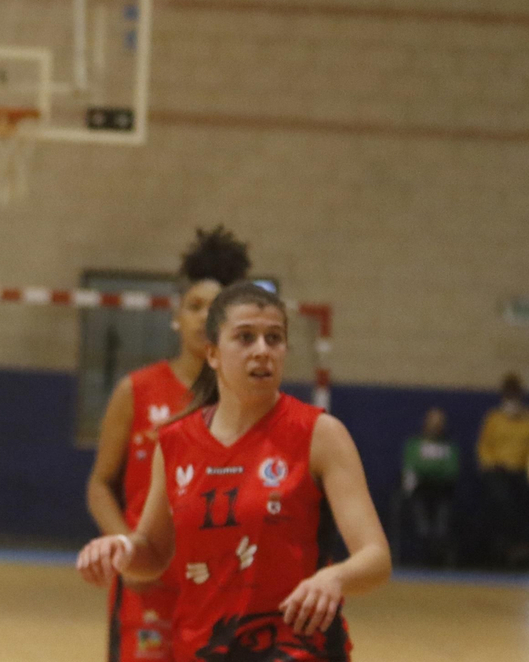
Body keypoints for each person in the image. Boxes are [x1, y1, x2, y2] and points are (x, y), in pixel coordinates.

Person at [78, 283, 391, 661]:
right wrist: (122, 549)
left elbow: (375, 556)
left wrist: (335, 577)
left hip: (295, 648)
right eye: (245, 337)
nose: (262, 350)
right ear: (212, 353)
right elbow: (155, 552)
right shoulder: (175, 441)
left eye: (274, 338)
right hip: (203, 647)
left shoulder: (321, 434)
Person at [84, 227, 251, 661]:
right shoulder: (136, 390)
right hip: (147, 587)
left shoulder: (247, 401)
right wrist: (126, 547)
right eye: (193, 306)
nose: (202, 317)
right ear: (176, 316)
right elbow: (100, 484)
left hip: (217, 590)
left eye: (213, 309)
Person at [476, 373, 529, 567]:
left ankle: (520, 551)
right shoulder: (494, 419)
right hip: (496, 473)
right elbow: (484, 447)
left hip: (519, 474)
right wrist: (491, 464)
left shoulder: (527, 422)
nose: (512, 401)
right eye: (509, 397)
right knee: (501, 503)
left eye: (515, 397)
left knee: (520, 509)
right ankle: (499, 551)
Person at [400, 407, 458, 566]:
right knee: (419, 509)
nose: (435, 426)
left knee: (442, 517)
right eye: (432, 422)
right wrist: (431, 470)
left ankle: (438, 551)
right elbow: (411, 467)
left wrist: (430, 471)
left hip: (442, 491)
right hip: (419, 491)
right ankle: (424, 544)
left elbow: (451, 470)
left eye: (439, 423)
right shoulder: (414, 445)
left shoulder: (449, 447)